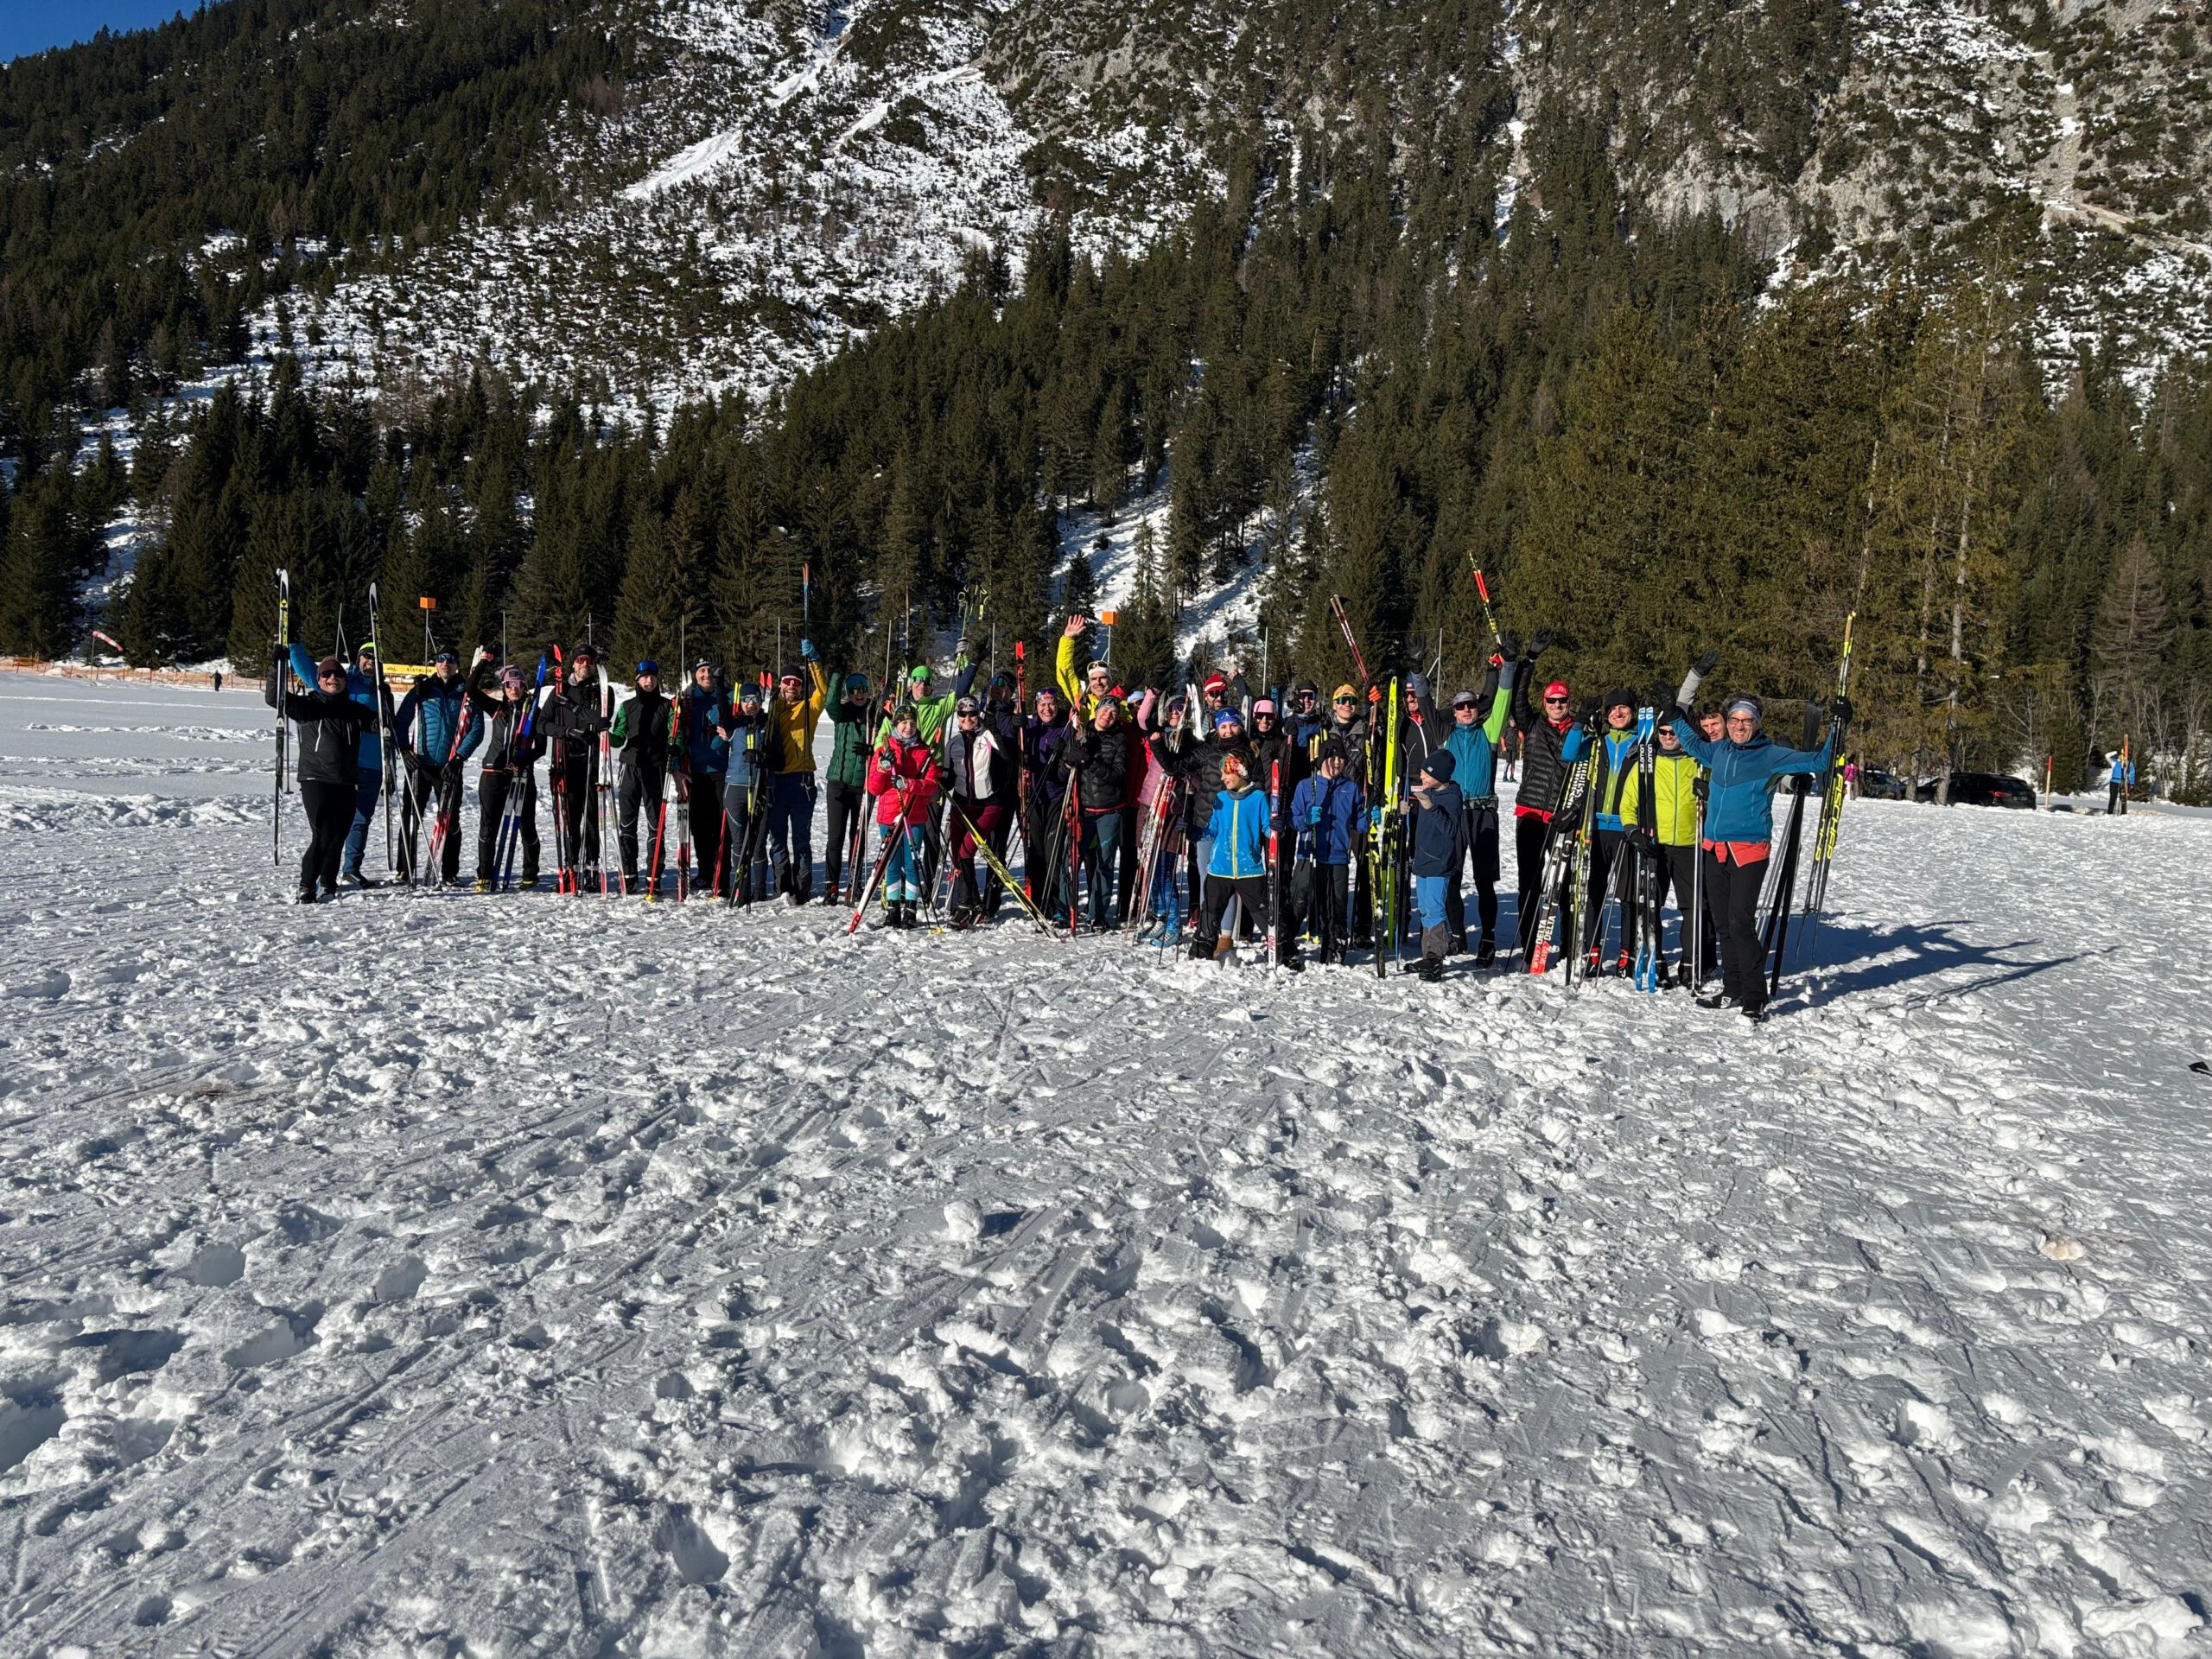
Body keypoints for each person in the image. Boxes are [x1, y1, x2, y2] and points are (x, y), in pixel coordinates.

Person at [1667, 693, 1841, 1020]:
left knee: (1740, 923)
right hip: (1713, 848)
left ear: (1757, 723)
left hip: (1748, 851)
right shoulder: (1718, 750)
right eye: (1734, 720)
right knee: (1723, 925)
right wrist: (1673, 714)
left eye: (1746, 721)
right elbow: (1691, 743)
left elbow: (1820, 761)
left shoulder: (1770, 755)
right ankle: (1732, 989)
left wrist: (1838, 725)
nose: (1739, 726)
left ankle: (1754, 995)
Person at [267, 653, 382, 904]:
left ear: (344, 680)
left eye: (338, 674)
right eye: (327, 674)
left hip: (347, 780)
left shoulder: (354, 709)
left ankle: (329, 883)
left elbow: (379, 724)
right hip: (316, 778)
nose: (333, 678)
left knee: (339, 834)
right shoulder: (309, 705)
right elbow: (274, 698)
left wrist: (385, 694)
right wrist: (277, 667)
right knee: (323, 833)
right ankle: (307, 884)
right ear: (318, 680)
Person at [1439, 639, 1518, 964]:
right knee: (1452, 877)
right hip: (1454, 813)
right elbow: (1428, 711)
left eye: (1470, 705)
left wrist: (1508, 666)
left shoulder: (1489, 733)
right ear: (1454, 712)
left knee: (1485, 881)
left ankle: (1487, 938)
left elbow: (1501, 700)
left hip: (1483, 813)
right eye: (1460, 707)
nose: (1467, 710)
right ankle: (1458, 935)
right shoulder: (1446, 736)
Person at [1619, 716, 1711, 988]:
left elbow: (1720, 800)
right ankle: (1655, 959)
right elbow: (1628, 804)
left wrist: (1709, 794)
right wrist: (1633, 831)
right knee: (1649, 906)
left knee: (1693, 908)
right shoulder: (1645, 766)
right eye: (1663, 732)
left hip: (1688, 844)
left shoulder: (1699, 764)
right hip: (1654, 844)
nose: (1669, 737)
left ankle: (1689, 962)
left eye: (1674, 732)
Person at [393, 649, 484, 886]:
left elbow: (476, 729)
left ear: (457, 665)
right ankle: (405, 868)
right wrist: (404, 750)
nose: (446, 664)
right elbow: (400, 722)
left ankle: (449, 871)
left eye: (451, 660)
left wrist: (459, 758)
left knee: (450, 819)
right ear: (435, 663)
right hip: (420, 764)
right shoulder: (423, 689)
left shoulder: (467, 692)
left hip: (449, 766)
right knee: (411, 816)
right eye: (441, 660)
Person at [1507, 632, 1570, 954]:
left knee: (1567, 885)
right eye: (1552, 701)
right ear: (1545, 703)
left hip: (1562, 820)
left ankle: (1571, 942)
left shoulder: (1578, 731)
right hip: (1530, 816)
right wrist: (1529, 660)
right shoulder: (1532, 725)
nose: (1557, 705)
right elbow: (1517, 698)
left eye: (1562, 701)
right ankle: (1531, 944)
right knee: (1529, 883)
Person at [1287, 737, 1364, 967]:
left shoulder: (1350, 788)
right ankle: (1286, 944)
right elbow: (1293, 818)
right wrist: (1305, 820)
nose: (1337, 762)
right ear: (1321, 759)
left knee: (1336, 904)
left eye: (1341, 758)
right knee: (1299, 901)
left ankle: (1335, 949)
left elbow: (1358, 819)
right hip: (1308, 854)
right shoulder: (1306, 786)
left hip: (1337, 856)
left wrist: (1369, 819)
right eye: (1332, 757)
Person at [469, 664, 548, 891]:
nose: (513, 689)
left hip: (522, 774)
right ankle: (484, 875)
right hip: (493, 774)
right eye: (508, 685)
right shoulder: (497, 708)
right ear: (503, 688)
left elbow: (541, 748)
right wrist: (484, 663)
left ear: (524, 687)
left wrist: (521, 761)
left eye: (518, 685)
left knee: (527, 826)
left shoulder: (535, 712)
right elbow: (471, 691)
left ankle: (530, 874)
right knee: (488, 826)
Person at [942, 694, 1017, 925]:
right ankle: (973, 905)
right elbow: (949, 778)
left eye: (972, 713)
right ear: (958, 716)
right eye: (963, 714)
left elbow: (1007, 756)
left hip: (989, 805)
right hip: (962, 805)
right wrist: (936, 779)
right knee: (958, 857)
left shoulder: (987, 736)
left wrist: (994, 730)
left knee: (966, 851)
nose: (968, 718)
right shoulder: (953, 743)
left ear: (978, 714)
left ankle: (967, 905)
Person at [1191, 749, 1271, 961]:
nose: (1223, 778)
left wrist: (1278, 826)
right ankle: (1201, 952)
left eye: (1227, 773)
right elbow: (1212, 829)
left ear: (1241, 772)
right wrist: (1195, 832)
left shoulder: (1258, 798)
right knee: (1210, 913)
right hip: (1220, 868)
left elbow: (1267, 829)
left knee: (1263, 913)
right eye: (1222, 773)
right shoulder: (1220, 799)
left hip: (1249, 869)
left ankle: (1281, 949)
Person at [866, 703, 939, 928]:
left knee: (911, 862)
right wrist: (882, 768)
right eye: (904, 723)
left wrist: (909, 784)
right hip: (890, 814)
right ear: (896, 724)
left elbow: (931, 785)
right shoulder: (885, 749)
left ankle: (910, 909)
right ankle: (893, 907)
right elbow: (873, 788)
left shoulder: (924, 752)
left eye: (912, 723)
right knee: (892, 862)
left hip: (914, 814)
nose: (908, 727)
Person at [766, 645, 830, 901]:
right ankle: (782, 887)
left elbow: (823, 691)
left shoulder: (808, 709)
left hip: (801, 781)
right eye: (787, 682)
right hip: (776, 781)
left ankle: (802, 888)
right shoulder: (773, 710)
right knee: (778, 838)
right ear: (781, 685)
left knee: (801, 839)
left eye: (796, 682)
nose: (792, 686)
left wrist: (814, 661)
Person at [1583, 690, 1641, 967]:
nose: (1618, 714)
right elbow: (1571, 752)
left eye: (1623, 709)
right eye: (1612, 710)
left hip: (1627, 828)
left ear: (1633, 712)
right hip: (1597, 828)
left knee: (1627, 895)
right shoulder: (1598, 743)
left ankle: (1627, 953)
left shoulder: (1642, 743)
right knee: (1594, 891)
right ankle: (1592, 949)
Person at [610, 660, 676, 894]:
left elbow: (674, 734)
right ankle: (628, 876)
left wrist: (674, 745)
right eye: (644, 677)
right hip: (630, 767)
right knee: (627, 824)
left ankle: (653, 877)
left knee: (655, 826)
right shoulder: (627, 706)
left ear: (658, 680)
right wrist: (607, 735)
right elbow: (618, 736)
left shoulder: (667, 706)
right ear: (637, 680)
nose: (649, 681)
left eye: (653, 677)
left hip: (656, 768)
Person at [1068, 693, 1131, 928]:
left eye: (1113, 713)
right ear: (1096, 711)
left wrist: (1090, 762)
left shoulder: (1119, 740)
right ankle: (1067, 911)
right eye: (1104, 710)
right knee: (1071, 861)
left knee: (1104, 865)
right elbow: (1067, 770)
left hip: (1110, 811)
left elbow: (1117, 776)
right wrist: (1070, 757)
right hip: (1083, 811)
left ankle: (1098, 913)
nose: (1108, 715)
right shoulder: (1084, 734)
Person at [550, 645, 609, 892]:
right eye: (581, 660)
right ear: (573, 663)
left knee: (593, 819)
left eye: (590, 660)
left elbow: (602, 721)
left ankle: (592, 870)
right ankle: (571, 869)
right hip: (567, 763)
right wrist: (567, 731)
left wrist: (574, 708)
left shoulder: (601, 691)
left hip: (593, 763)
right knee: (570, 819)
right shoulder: (559, 692)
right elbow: (543, 725)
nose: (585, 664)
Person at [1406, 748, 1467, 982]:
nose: (1421, 777)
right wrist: (1411, 809)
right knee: (1424, 907)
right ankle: (1428, 953)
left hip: (1438, 862)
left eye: (1426, 774)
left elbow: (1450, 829)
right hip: (1422, 860)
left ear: (1439, 776)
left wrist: (1429, 806)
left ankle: (1435, 954)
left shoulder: (1451, 795)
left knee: (1434, 909)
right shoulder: (1429, 793)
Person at [821, 671, 875, 903]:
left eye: (862, 690)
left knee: (858, 836)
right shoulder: (840, 713)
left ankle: (855, 881)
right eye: (854, 690)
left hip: (863, 784)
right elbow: (829, 702)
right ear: (848, 693)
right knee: (835, 837)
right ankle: (831, 885)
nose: (859, 695)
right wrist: (836, 676)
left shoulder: (875, 715)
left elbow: (886, 740)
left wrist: (873, 750)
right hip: (838, 782)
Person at [680, 661, 732, 894]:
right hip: (696, 771)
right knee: (699, 826)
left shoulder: (727, 696)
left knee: (722, 825)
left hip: (722, 770)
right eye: (702, 671)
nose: (706, 674)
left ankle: (722, 874)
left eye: (710, 670)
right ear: (695, 675)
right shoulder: (688, 699)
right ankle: (704, 872)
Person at [1023, 688, 1074, 919]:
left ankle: (1053, 904)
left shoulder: (1065, 728)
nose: (1047, 709)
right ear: (1036, 707)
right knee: (1036, 853)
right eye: (1042, 705)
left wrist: (1064, 755)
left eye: (1051, 704)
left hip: (1056, 799)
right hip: (1035, 798)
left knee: (1053, 852)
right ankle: (1036, 902)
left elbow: (1073, 760)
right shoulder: (1030, 728)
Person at [719, 682, 772, 901]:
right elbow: (722, 709)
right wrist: (719, 683)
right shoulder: (733, 724)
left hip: (760, 786)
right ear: (740, 703)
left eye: (755, 700)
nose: (751, 704)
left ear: (761, 702)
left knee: (758, 843)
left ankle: (760, 890)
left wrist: (762, 758)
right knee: (739, 841)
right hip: (736, 788)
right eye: (747, 700)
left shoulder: (768, 725)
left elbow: (779, 757)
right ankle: (741, 888)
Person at [2107, 747, 2133, 815]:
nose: (2122, 756)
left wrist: (2131, 783)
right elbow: (2107, 756)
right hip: (2114, 782)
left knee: (2123, 799)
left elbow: (2132, 773)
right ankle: (2110, 813)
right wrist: (2115, 752)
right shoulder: (2114, 762)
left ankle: (2123, 813)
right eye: (2121, 755)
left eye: (2123, 755)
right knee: (2113, 798)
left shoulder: (2128, 763)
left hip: (2123, 782)